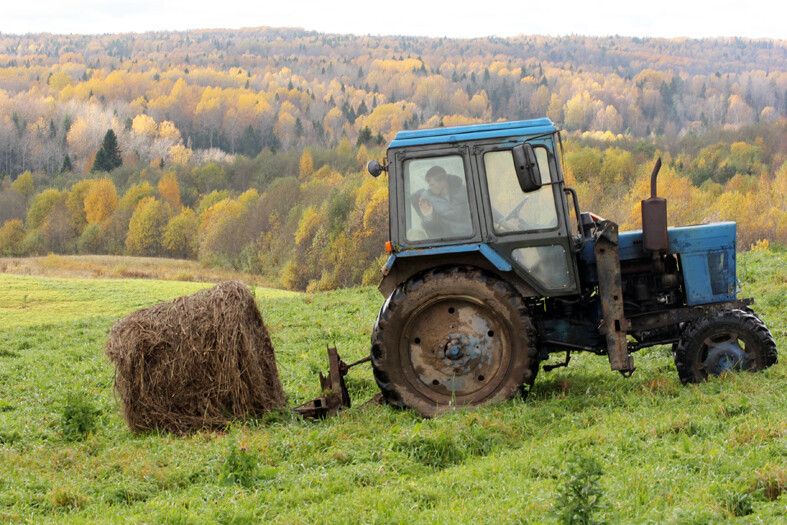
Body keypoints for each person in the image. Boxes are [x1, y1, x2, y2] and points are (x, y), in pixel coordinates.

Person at [412, 165, 472, 238]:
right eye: (428, 185)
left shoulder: (464, 192)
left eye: (432, 185)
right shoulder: (428, 198)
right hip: (446, 238)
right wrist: (428, 216)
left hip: (471, 235)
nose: (429, 188)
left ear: (443, 182)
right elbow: (430, 227)